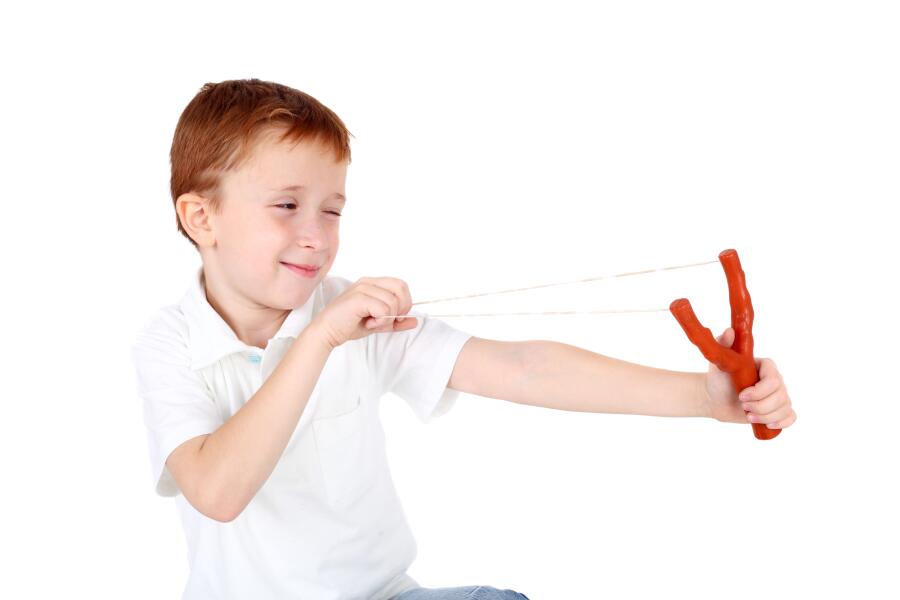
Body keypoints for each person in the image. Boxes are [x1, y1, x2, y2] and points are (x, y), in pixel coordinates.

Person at [130, 78, 794, 600]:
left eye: (331, 211)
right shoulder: (170, 343)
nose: (316, 235)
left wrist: (704, 397)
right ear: (201, 217)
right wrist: (319, 341)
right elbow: (218, 492)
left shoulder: (350, 313)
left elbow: (524, 368)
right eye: (287, 206)